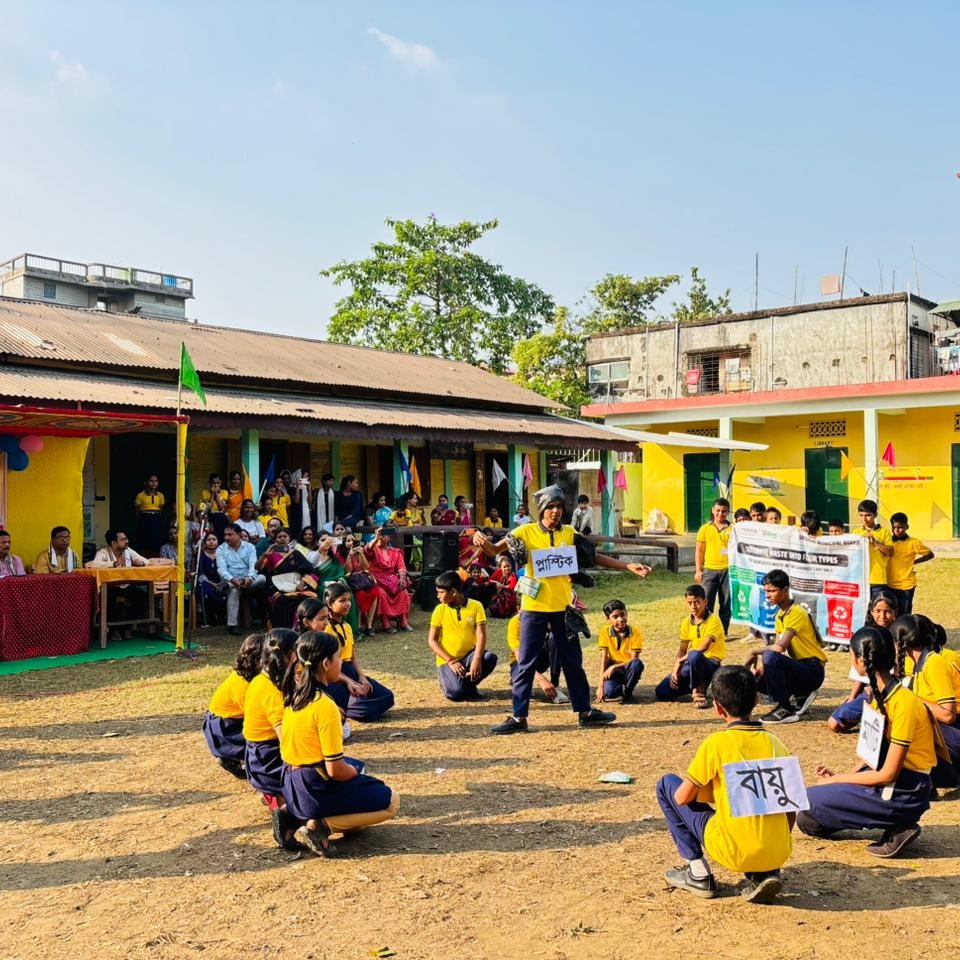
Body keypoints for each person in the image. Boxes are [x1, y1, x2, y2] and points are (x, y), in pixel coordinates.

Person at [474, 483, 651, 735]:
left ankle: (585, 712)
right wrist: (477, 538)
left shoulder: (569, 533)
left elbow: (592, 556)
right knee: (525, 663)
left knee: (573, 662)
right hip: (533, 610)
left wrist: (627, 566)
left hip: (564, 610)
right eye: (550, 507)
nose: (555, 511)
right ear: (542, 509)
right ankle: (518, 717)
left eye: (559, 506)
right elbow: (493, 549)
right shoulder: (524, 531)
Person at [656, 665, 793, 902]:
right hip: (778, 851)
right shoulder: (777, 744)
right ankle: (764, 871)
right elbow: (791, 807)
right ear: (757, 699)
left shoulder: (716, 744)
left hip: (733, 850)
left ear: (718, 708)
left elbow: (681, 798)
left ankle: (698, 873)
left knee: (667, 785)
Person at [798, 626, 935, 858]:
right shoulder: (879, 695)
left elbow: (887, 774)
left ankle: (900, 821)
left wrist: (839, 781)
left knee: (809, 803)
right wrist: (837, 780)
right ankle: (893, 821)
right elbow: (871, 757)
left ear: (861, 660)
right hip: (892, 782)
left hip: (906, 790)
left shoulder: (903, 703)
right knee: (808, 820)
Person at [280, 629, 399, 858]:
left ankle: (291, 816)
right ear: (326, 663)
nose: (341, 664)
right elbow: (335, 769)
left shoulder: (295, 695)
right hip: (314, 786)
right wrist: (355, 772)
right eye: (338, 658)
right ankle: (320, 826)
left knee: (360, 792)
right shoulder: (324, 705)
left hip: (291, 784)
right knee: (390, 801)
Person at [243, 628, 301, 849]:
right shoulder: (271, 692)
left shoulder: (261, 679)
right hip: (270, 759)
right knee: (320, 782)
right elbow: (286, 739)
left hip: (257, 758)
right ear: (289, 656)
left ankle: (273, 795)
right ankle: (289, 816)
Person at [744, 569, 826, 724]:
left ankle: (786, 709)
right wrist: (762, 668)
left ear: (786, 590)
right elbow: (776, 647)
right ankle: (801, 693)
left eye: (772, 591)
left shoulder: (796, 613)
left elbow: (780, 647)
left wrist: (754, 651)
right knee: (757, 679)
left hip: (813, 670)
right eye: (766, 591)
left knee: (769, 656)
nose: (768, 595)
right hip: (801, 668)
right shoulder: (780, 615)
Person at [893, 614, 960, 787]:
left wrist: (909, 697)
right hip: (949, 731)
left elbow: (947, 715)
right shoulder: (918, 663)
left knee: (909, 725)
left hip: (954, 728)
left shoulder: (934, 663)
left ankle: (921, 782)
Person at [828, 590, 899, 734]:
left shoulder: (897, 635)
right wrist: (852, 697)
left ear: (895, 613)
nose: (882, 616)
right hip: (868, 688)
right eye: (878, 611)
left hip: (888, 688)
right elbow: (860, 671)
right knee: (834, 723)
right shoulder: (865, 634)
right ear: (871, 612)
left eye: (888, 612)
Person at [323, 582, 395, 721]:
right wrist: (351, 682)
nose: (348, 604)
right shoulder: (326, 630)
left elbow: (353, 658)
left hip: (351, 671)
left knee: (387, 696)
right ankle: (346, 707)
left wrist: (361, 677)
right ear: (330, 604)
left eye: (349, 600)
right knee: (364, 711)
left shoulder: (347, 627)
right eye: (342, 600)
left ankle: (354, 702)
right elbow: (330, 667)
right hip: (338, 676)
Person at [202, 632, 265, 779]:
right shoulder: (245, 687)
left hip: (224, 722)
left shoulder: (245, 675)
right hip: (225, 728)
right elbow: (257, 721)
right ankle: (237, 760)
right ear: (259, 661)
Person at [428, 570, 497, 701]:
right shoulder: (439, 610)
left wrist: (476, 659)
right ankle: (464, 687)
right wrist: (451, 661)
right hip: (447, 661)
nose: (438, 596)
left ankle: (466, 686)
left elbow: (481, 635)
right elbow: (432, 641)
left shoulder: (476, 606)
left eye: (441, 592)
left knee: (489, 658)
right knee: (456, 695)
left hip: (469, 656)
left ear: (453, 592)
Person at [655, 584, 726, 708]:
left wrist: (682, 661)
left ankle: (698, 690)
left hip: (710, 664)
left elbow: (704, 646)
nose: (693, 606)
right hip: (692, 663)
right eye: (690, 603)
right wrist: (675, 669)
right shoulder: (686, 622)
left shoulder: (714, 620)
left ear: (705, 602)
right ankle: (696, 683)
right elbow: (682, 649)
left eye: (697, 602)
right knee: (662, 691)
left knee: (694, 654)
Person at [87, 529, 148, 640]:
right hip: (109, 587)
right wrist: (113, 563)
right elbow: (95, 564)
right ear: (113, 543)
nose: (127, 541)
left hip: (125, 585)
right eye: (123, 539)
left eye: (126, 539)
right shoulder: (103, 552)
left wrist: (141, 563)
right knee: (110, 598)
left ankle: (125, 627)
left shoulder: (128, 551)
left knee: (142, 597)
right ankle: (112, 630)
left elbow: (145, 560)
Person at [216, 523, 266, 636]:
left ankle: (232, 585)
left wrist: (249, 577)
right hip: (231, 580)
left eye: (230, 534)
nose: (226, 537)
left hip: (248, 581)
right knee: (234, 590)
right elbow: (221, 569)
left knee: (262, 578)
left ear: (238, 535)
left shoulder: (250, 547)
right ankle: (232, 626)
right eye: (225, 535)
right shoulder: (221, 549)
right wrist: (233, 579)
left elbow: (254, 565)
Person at [506, 612, 566, 703]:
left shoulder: (541, 616)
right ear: (518, 609)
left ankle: (555, 686)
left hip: (538, 658)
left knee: (555, 637)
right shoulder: (515, 622)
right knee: (524, 690)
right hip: (520, 662)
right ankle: (519, 679)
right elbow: (519, 658)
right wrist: (541, 679)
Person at [594, 599, 644, 704]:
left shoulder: (635, 632)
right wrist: (600, 686)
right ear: (608, 619)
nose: (621, 619)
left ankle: (629, 691)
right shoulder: (604, 632)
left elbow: (634, 659)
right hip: (612, 669)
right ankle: (617, 688)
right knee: (610, 693)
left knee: (637, 664)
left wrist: (615, 667)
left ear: (627, 614)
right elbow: (604, 659)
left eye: (623, 615)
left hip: (627, 667)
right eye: (615, 617)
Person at [364, 526, 412, 632]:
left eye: (384, 535)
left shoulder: (395, 551)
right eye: (380, 535)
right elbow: (367, 550)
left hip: (392, 580)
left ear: (389, 537)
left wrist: (402, 578)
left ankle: (403, 622)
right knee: (381, 594)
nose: (381, 538)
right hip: (377, 580)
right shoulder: (374, 549)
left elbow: (401, 567)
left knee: (403, 591)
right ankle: (386, 624)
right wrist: (376, 538)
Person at [694, 497, 731, 633]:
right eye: (718, 511)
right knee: (706, 602)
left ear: (728, 512)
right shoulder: (705, 529)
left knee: (726, 604)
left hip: (728, 570)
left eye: (724, 511)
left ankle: (722, 632)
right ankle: (706, 630)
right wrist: (698, 570)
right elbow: (699, 550)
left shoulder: (733, 529)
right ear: (713, 511)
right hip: (709, 570)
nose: (720, 514)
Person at [886, 512, 933, 615]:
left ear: (907, 527)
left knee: (905, 614)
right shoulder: (888, 541)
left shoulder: (914, 543)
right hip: (888, 583)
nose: (897, 530)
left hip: (906, 584)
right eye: (894, 527)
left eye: (900, 527)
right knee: (890, 613)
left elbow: (930, 554)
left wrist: (914, 562)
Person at [853, 498, 894, 602]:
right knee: (863, 613)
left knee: (877, 610)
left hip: (877, 581)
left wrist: (875, 542)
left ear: (875, 515)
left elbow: (890, 553)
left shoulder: (884, 532)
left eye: (867, 515)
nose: (864, 519)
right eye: (861, 515)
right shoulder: (856, 532)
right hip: (860, 580)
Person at [196, 531, 226, 624]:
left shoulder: (223, 555)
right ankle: (210, 616)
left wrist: (220, 584)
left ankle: (221, 615)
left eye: (214, 539)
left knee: (225, 592)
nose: (211, 542)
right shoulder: (200, 555)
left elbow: (226, 570)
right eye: (209, 540)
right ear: (205, 542)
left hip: (220, 582)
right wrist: (213, 584)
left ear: (218, 542)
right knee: (207, 591)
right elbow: (200, 574)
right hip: (206, 582)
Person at [134, 473, 166, 557]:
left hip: (156, 519)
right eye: (151, 481)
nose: (154, 483)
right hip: (145, 519)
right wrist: (142, 520)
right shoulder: (140, 495)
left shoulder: (160, 496)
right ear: (146, 483)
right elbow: (137, 510)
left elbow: (161, 509)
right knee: (144, 543)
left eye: (156, 481)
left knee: (156, 543)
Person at [487, 553, 519, 618]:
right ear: (501, 567)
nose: (507, 568)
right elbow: (489, 580)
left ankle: (506, 613)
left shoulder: (513, 575)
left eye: (508, 566)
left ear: (511, 566)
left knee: (505, 593)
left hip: (509, 597)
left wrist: (502, 586)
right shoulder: (498, 572)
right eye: (504, 567)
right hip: (498, 594)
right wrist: (496, 582)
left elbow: (512, 587)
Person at [200, 473, 229, 541]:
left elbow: (221, 507)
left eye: (218, 483)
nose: (216, 485)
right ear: (209, 483)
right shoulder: (205, 492)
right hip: (210, 517)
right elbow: (209, 508)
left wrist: (216, 494)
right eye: (213, 483)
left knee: (222, 538)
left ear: (221, 483)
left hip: (221, 517)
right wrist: (213, 493)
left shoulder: (224, 492)